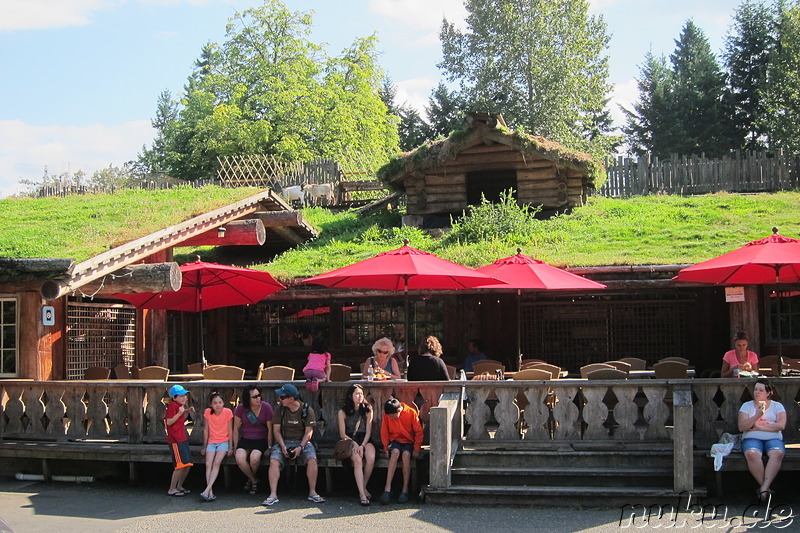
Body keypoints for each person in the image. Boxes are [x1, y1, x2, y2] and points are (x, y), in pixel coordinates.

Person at [263, 383, 325, 506]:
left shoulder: (307, 409)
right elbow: (276, 430)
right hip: (283, 440)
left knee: (312, 459)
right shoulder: (279, 409)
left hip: (302, 441)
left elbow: (309, 432)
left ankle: (312, 492)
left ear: (291, 399)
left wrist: (300, 447)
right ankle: (273, 494)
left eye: (282, 397)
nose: (279, 399)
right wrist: (282, 446)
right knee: (274, 460)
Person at [738, 378, 786, 501]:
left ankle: (763, 489)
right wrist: (757, 415)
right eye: (755, 390)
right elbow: (742, 427)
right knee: (751, 453)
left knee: (777, 453)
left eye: (760, 390)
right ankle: (766, 490)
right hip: (752, 438)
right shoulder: (746, 406)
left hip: (773, 438)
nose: (757, 392)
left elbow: (780, 425)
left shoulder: (777, 406)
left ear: (768, 393)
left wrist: (758, 426)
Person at [337, 384, 376, 506]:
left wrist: (363, 445)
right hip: (350, 439)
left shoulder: (368, 409)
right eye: (357, 394)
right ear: (350, 396)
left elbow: (369, 431)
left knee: (370, 457)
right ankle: (362, 494)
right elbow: (342, 433)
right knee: (358, 460)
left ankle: (363, 487)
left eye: (361, 394)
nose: (359, 396)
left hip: (364, 438)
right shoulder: (342, 412)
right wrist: (354, 443)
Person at [379, 398, 423, 505]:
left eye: (393, 416)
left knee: (406, 455)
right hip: (394, 441)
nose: (391, 418)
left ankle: (405, 489)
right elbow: (384, 431)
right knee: (395, 453)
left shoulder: (411, 413)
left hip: (408, 441)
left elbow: (419, 432)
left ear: (399, 411)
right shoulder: (387, 414)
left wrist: (417, 448)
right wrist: (385, 448)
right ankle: (387, 488)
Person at [233, 384, 273, 495]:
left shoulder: (266, 407)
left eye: (258, 395)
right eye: (254, 397)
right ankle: (254, 479)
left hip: (261, 439)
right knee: (239, 458)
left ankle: (251, 480)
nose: (258, 398)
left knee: (254, 459)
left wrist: (269, 447)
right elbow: (235, 428)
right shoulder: (240, 408)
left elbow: (271, 429)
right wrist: (235, 446)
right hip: (246, 438)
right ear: (247, 399)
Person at [200, 391, 233, 502]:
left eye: (220, 402)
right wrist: (204, 446)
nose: (217, 405)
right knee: (208, 464)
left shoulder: (228, 412)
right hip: (211, 441)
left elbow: (230, 430)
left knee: (217, 462)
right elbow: (206, 430)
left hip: (223, 441)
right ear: (211, 405)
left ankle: (207, 489)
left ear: (223, 403)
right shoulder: (208, 412)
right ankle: (210, 491)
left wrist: (231, 446)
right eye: (215, 403)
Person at [164, 384, 194, 497]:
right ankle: (172, 488)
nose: (184, 398)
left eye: (185, 395)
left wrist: (187, 410)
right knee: (179, 465)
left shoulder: (178, 406)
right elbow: (169, 422)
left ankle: (179, 486)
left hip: (182, 438)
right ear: (174, 397)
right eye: (181, 396)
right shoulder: (172, 406)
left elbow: (179, 413)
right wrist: (181, 413)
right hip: (175, 440)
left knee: (188, 464)